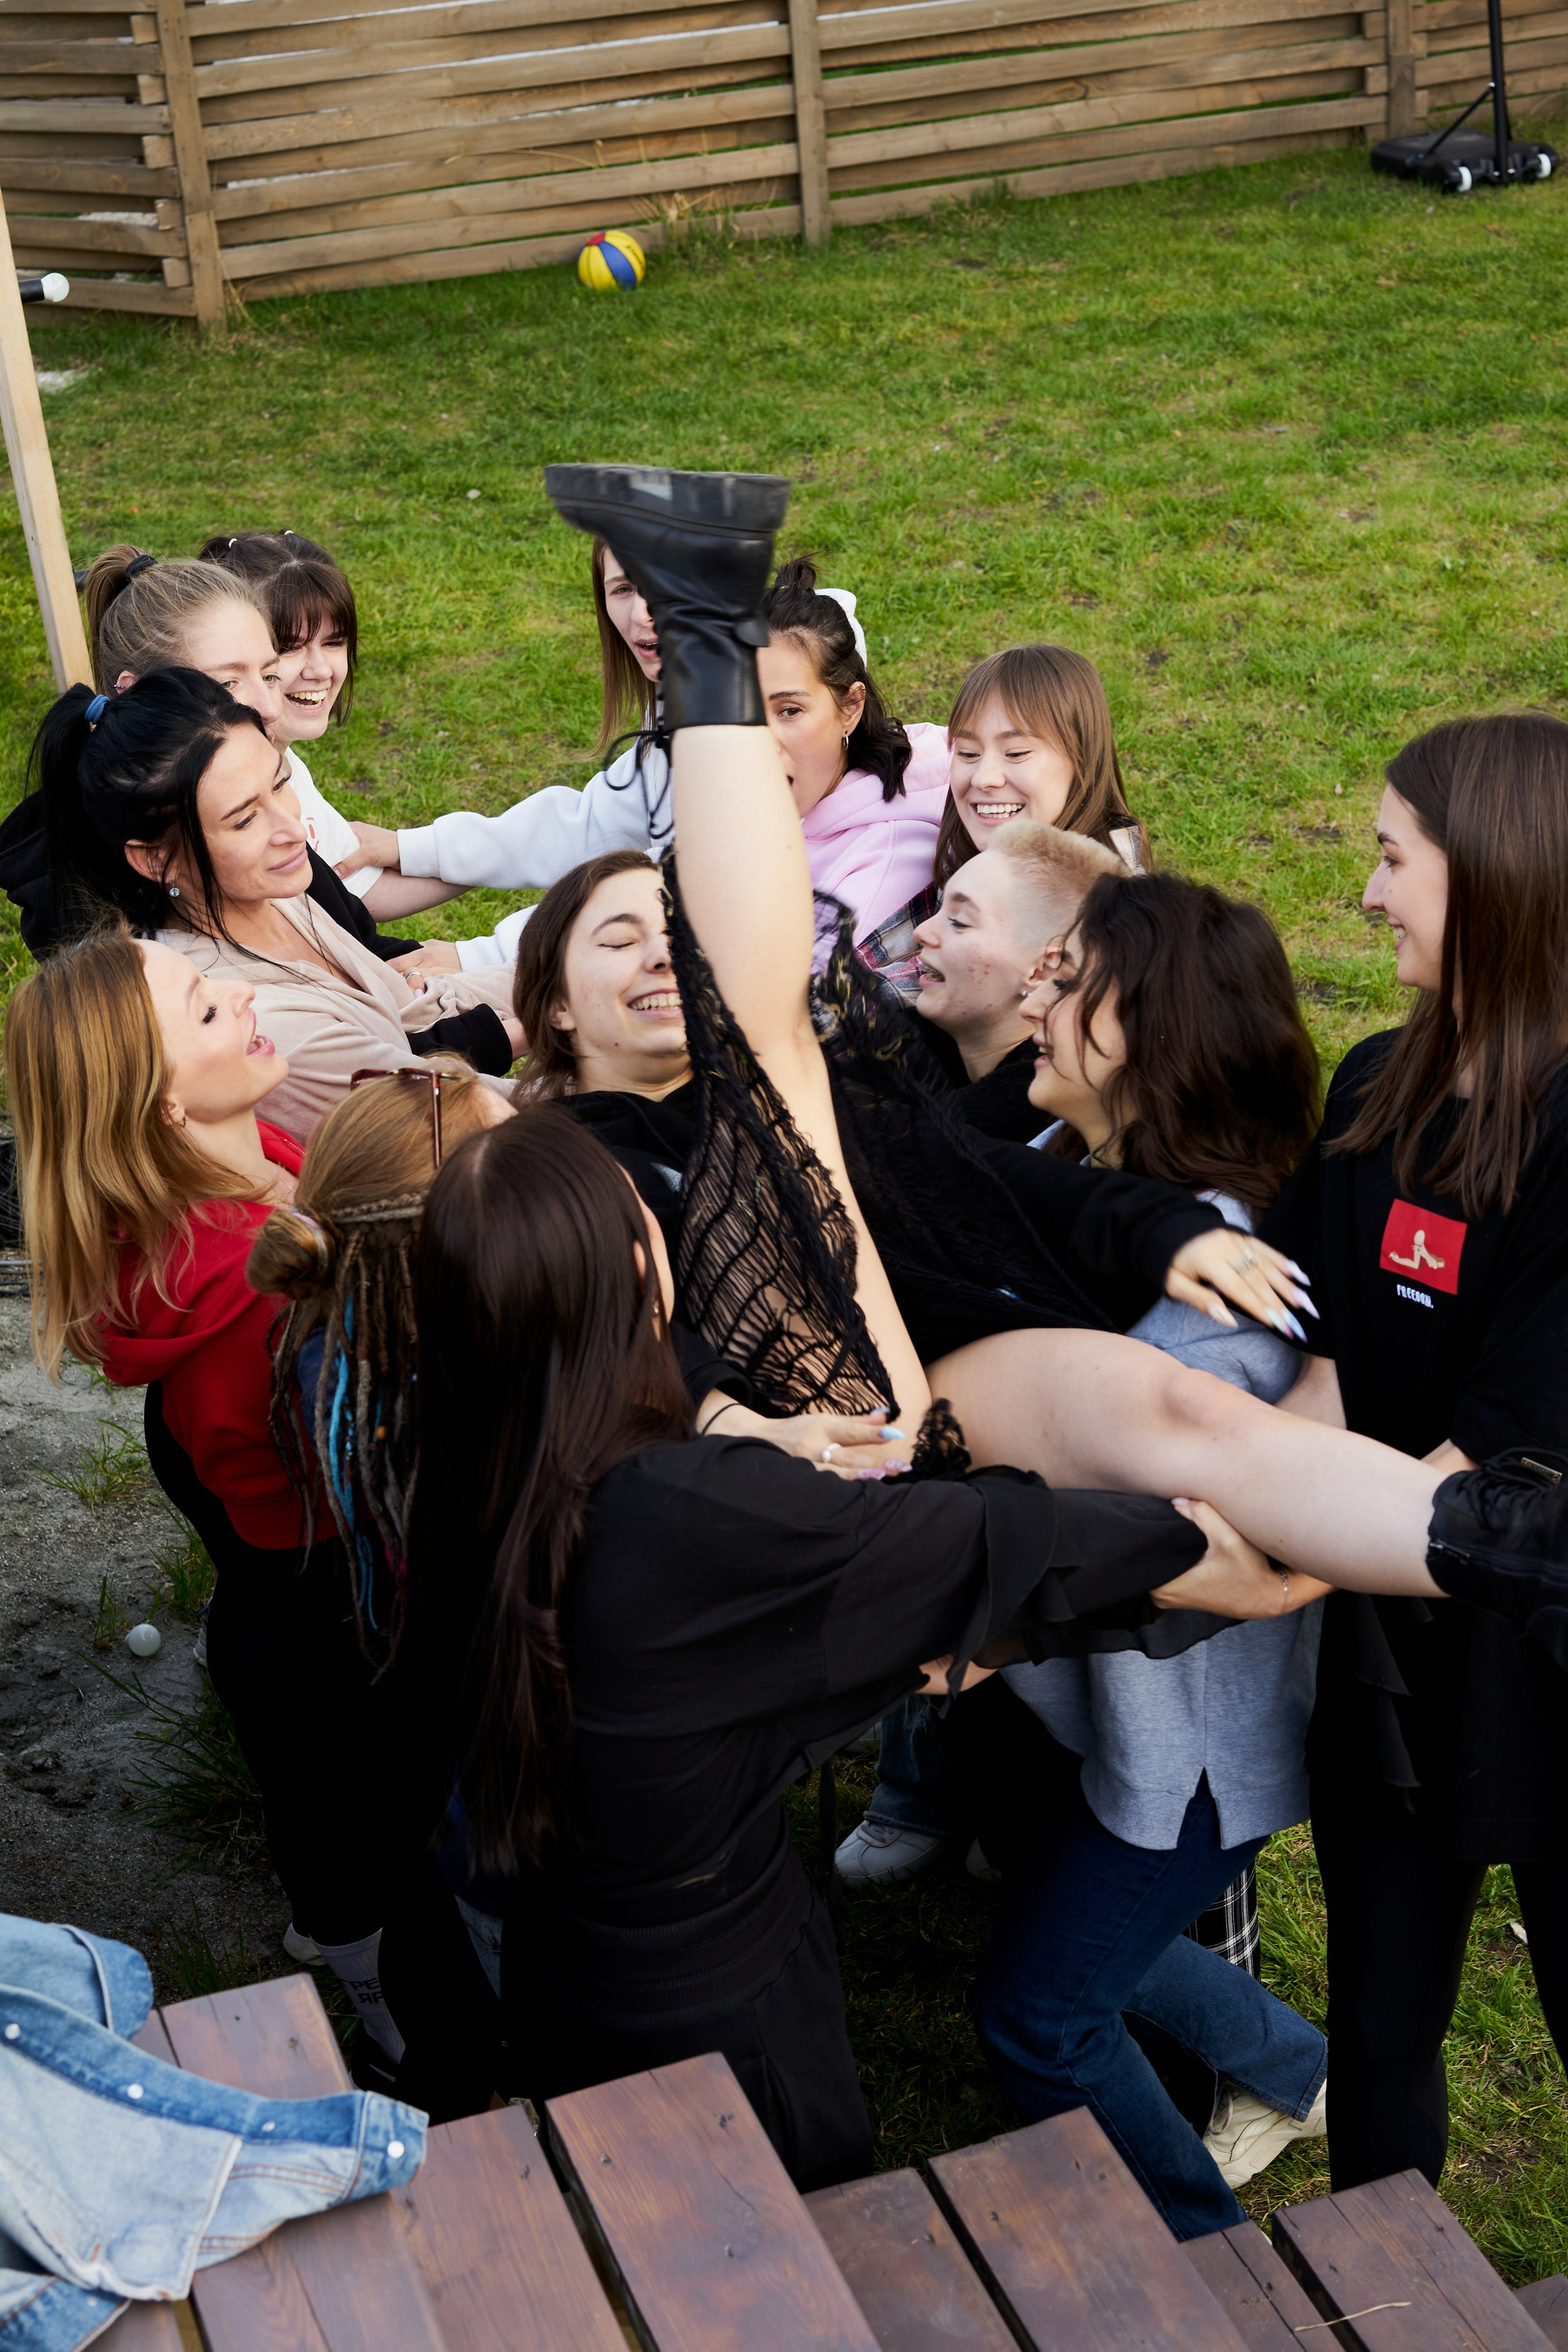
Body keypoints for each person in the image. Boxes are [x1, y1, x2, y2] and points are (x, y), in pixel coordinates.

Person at [970, 869, 1332, 2210]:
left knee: (1038, 2016)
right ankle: (1291, 2062)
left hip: (1181, 1756)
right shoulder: (1066, 1170)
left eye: (1071, 984)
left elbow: (1185, 1574)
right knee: (1061, 1933)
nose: (1033, 995)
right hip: (1098, 1725)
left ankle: (1213, 2267)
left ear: (1154, 1036)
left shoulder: (1222, 1312)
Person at [2, 925, 410, 2079]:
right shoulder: (249, 1320)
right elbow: (332, 1510)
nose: (237, 994)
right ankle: (386, 2001)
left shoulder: (251, 1163)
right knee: (357, 1837)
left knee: (334, 1815)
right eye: (204, 1008)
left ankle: (344, 1916)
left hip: (293, 1583)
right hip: (333, 1616)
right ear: (169, 1110)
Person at [1261, 714, 1568, 2197]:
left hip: (1542, 1639)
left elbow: (1497, 1446)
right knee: (1378, 2020)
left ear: (1500, 880)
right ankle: (1370, 2294)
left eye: (1393, 857)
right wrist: (1244, 1515)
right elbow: (1323, 1370)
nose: (1367, 891)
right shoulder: (1372, 1083)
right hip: (1389, 1643)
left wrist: (1277, 1549)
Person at [340, 547, 951, 953]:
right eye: (623, 588)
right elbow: (596, 832)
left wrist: (485, 965)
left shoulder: (874, 848)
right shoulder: (702, 717)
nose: (642, 614)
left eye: (787, 711)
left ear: (848, 708)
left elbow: (669, 914)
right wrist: (413, 849)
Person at [24, 674, 521, 1136]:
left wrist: (561, 971)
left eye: (281, 784)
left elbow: (413, 1006)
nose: (291, 828)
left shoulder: (266, 894)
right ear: (156, 860)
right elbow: (464, 1117)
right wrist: (571, 1015)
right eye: (244, 820)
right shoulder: (251, 1018)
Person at [856, 641, 1145, 997]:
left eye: (1016, 753)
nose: (983, 777)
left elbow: (867, 1012)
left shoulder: (1092, 924)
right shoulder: (962, 868)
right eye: (968, 753)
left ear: (1082, 760)